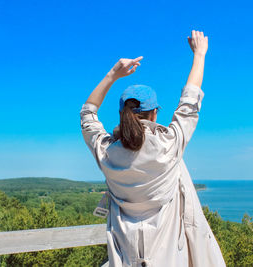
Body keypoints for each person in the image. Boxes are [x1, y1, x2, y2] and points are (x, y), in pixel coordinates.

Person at [80, 30, 226, 267]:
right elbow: (190, 102)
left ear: (121, 115)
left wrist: (113, 74)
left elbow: (87, 114)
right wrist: (199, 54)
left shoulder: (108, 154)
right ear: (155, 113)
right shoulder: (168, 146)